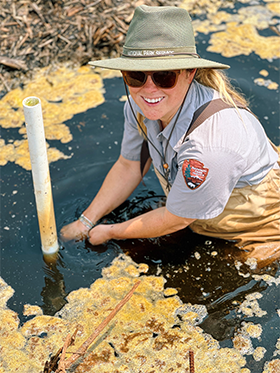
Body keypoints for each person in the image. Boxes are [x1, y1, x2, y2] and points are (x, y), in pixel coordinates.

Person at [60, 5, 280, 267]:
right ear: (123, 75)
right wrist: (86, 222)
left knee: (239, 269)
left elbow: (177, 218)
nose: (149, 89)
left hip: (259, 221)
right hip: (197, 210)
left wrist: (110, 231)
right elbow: (129, 166)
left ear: (190, 74)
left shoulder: (211, 145)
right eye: (136, 75)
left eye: (165, 76)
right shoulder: (139, 107)